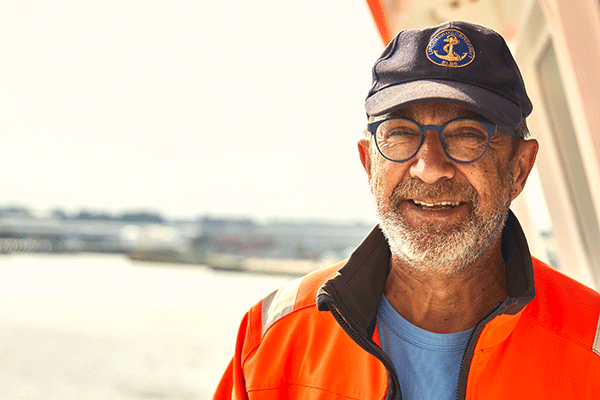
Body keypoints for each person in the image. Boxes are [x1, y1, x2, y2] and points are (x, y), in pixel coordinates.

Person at [213, 21, 600, 400]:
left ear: (519, 168)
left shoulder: (591, 347)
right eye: (400, 133)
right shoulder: (272, 342)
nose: (429, 168)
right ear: (368, 163)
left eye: (467, 135)